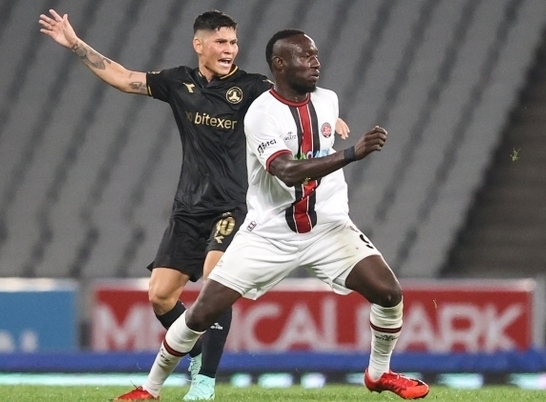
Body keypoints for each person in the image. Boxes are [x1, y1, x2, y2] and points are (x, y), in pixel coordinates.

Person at [39, 10, 349, 401]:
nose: (229, 49)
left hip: (233, 204)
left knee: (215, 280)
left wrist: (331, 118)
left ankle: (205, 382)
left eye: (233, 42)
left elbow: (294, 96)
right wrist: (74, 44)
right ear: (199, 45)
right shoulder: (177, 82)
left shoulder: (252, 87)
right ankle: (198, 353)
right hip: (188, 207)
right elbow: (122, 77)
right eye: (221, 42)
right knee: (160, 297)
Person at [132, 29, 430, 400]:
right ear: (280, 64)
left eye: (315, 55)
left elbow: (316, 143)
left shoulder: (328, 100)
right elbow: (286, 171)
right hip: (269, 234)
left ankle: (378, 373)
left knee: (389, 293)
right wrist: (352, 153)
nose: (316, 63)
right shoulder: (260, 114)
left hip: (327, 228)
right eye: (305, 56)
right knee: (200, 315)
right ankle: (150, 389)